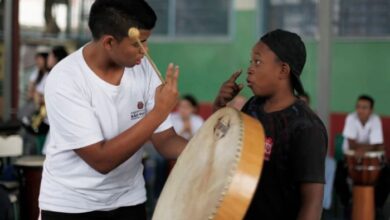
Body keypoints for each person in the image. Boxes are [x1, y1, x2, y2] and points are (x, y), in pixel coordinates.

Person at [39, 1, 187, 219]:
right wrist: (159, 112)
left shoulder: (143, 69)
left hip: (129, 200)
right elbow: (101, 161)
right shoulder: (65, 79)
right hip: (71, 206)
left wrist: (209, 152)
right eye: (140, 43)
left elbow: (165, 140)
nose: (145, 52)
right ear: (109, 42)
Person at [213, 29, 327, 220]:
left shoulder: (306, 127)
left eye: (258, 62)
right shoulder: (253, 106)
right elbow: (222, 145)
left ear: (283, 70)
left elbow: (312, 203)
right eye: (251, 62)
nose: (250, 68)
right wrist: (219, 106)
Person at [335, 94, 389, 218]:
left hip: (371, 162)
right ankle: (347, 204)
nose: (360, 110)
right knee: (339, 177)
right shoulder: (351, 118)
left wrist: (362, 148)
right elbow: (352, 144)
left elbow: (379, 145)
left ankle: (376, 206)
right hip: (349, 160)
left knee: (387, 175)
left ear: (371, 110)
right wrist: (372, 147)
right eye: (358, 106)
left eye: (364, 107)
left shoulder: (375, 119)